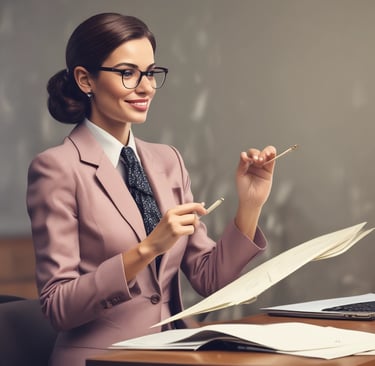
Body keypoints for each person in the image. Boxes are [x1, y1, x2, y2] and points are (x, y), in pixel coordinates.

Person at [26, 12, 276, 366]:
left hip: (175, 352)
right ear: (86, 79)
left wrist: (250, 204)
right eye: (127, 73)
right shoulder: (56, 168)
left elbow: (208, 279)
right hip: (99, 358)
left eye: (150, 73)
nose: (145, 87)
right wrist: (146, 249)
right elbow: (57, 306)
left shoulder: (167, 159)